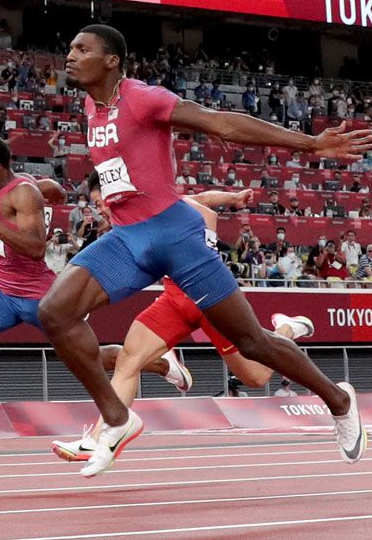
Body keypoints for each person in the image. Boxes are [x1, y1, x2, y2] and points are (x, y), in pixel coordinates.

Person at [39, 24, 372, 478]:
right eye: (70, 47)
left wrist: (311, 144)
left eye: (83, 49)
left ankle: (338, 399)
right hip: (127, 240)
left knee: (255, 345)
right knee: (55, 312)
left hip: (176, 240)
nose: (70, 55)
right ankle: (118, 419)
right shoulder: (90, 105)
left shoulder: (142, 98)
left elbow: (221, 124)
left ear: (112, 60)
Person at [0, 139, 189, 456]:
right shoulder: (26, 187)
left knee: (89, 357)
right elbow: (56, 190)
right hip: (2, 293)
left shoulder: (23, 193)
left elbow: (36, 247)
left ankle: (159, 362)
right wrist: (49, 196)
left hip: (39, 297)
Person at [50, 189, 316, 460]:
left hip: (213, 298)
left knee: (256, 377)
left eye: (100, 204)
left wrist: (232, 199)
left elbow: (200, 201)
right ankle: (96, 439)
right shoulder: (128, 223)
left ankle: (285, 329)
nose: (101, 211)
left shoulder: (162, 202)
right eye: (96, 206)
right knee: (127, 361)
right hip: (175, 299)